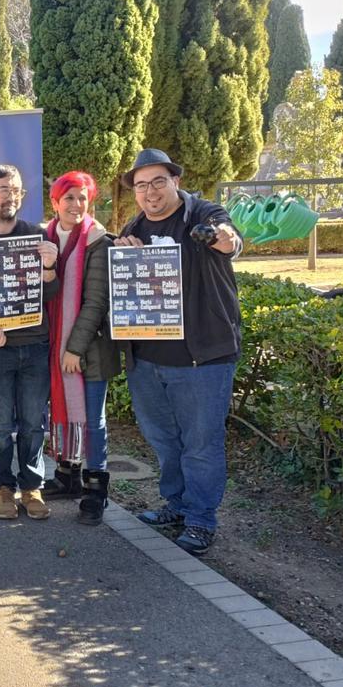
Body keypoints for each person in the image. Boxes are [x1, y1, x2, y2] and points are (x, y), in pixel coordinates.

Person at [115, 148, 242, 556]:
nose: (150, 192)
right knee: (164, 439)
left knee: (202, 442)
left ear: (175, 182)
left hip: (203, 358)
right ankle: (178, 505)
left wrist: (221, 238)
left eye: (158, 182)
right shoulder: (133, 228)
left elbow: (230, 241)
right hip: (148, 360)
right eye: (141, 185)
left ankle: (202, 520)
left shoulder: (203, 214)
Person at [0, 164, 60, 521]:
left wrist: (49, 267)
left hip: (35, 345)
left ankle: (32, 486)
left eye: (17, 189)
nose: (11, 196)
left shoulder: (37, 235)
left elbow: (50, 292)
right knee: (0, 425)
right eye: (3, 189)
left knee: (34, 422)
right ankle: (2, 487)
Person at [44, 171, 120, 525]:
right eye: (69, 197)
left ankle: (95, 490)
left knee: (92, 421)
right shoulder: (44, 238)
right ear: (55, 202)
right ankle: (67, 476)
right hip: (52, 345)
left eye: (82, 198)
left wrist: (73, 349)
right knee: (60, 411)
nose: (76, 204)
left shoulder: (97, 241)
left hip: (88, 349)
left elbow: (95, 302)